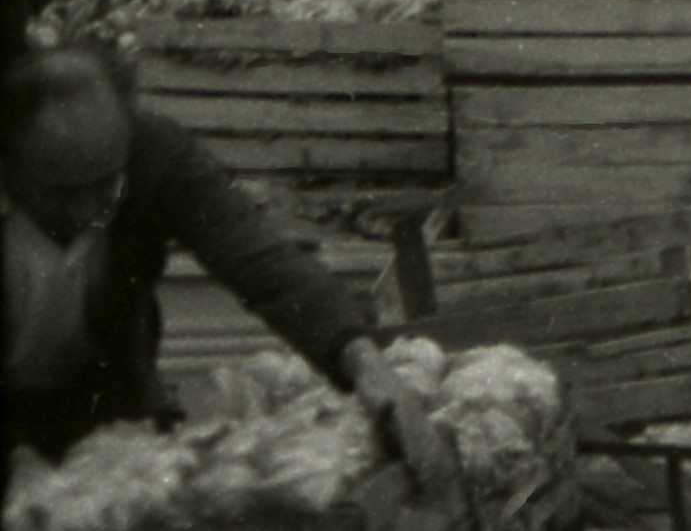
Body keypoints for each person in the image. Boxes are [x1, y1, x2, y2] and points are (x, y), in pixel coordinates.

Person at [0, 44, 453, 485]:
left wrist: (363, 360)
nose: (87, 212)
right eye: (62, 194)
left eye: (104, 186)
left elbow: (260, 258)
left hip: (107, 414)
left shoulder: (154, 155)